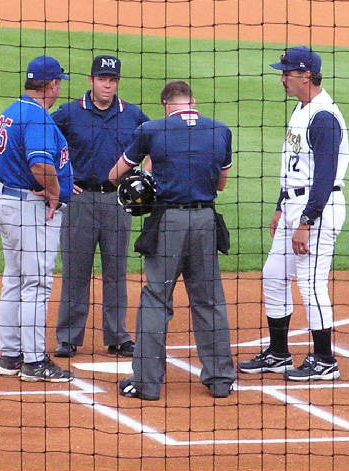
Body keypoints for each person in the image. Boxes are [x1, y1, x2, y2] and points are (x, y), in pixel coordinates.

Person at [108, 80, 236, 400]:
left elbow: (116, 174)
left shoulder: (153, 130)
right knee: (209, 300)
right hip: (206, 221)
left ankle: (147, 383)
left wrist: (149, 171)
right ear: (192, 101)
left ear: (167, 103)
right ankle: (220, 378)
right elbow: (221, 183)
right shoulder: (219, 131)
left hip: (169, 223)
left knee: (156, 299)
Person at [237, 46, 349, 381]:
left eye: (287, 72)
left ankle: (325, 359)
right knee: (274, 275)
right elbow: (296, 168)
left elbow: (324, 176)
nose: (282, 78)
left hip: (318, 209)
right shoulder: (303, 109)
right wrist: (279, 206)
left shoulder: (323, 116)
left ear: (306, 75)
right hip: (294, 206)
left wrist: (306, 221)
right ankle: (278, 353)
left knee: (312, 283)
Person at [51, 55, 150, 358]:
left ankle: (117, 336)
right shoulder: (68, 113)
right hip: (79, 201)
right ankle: (68, 338)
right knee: (75, 270)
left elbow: (156, 143)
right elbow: (43, 141)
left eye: (113, 80)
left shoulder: (132, 115)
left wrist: (142, 176)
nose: (107, 85)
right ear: (91, 80)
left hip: (117, 201)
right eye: (102, 79)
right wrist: (62, 178)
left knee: (116, 271)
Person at [0, 55, 74, 382]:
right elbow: (40, 166)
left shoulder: (12, 111)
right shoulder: (38, 118)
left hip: (7, 201)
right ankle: (35, 361)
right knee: (36, 282)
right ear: (52, 84)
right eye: (58, 85)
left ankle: (10, 355)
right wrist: (54, 191)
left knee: (14, 279)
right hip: (29, 208)